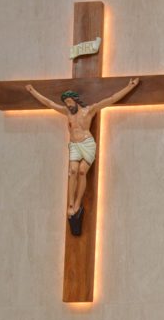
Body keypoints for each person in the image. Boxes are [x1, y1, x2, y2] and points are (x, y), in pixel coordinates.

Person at [24, 78, 140, 236]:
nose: (68, 105)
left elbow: (111, 99)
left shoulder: (89, 110)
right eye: (66, 103)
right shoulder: (66, 112)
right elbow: (48, 103)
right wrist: (32, 91)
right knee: (72, 171)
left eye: (70, 101)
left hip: (87, 144)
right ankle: (70, 204)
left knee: (81, 172)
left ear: (75, 100)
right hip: (74, 145)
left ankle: (78, 203)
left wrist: (129, 87)